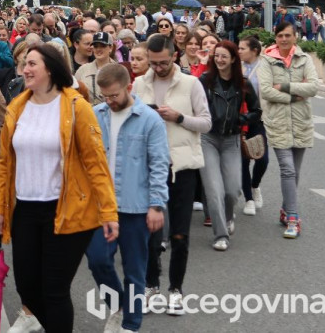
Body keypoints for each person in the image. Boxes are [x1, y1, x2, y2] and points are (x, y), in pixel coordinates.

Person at [0, 44, 118, 333]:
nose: (25, 69)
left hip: (66, 211)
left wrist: (109, 212)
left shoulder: (76, 107)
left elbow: (96, 164)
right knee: (27, 288)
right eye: (24, 64)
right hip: (25, 210)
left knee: (55, 289)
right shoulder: (17, 108)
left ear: (50, 68)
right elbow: (6, 164)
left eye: (32, 63)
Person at [132, 34, 211, 316]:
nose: (158, 68)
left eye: (163, 63)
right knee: (150, 234)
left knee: (179, 234)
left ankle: (176, 290)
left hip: (182, 168)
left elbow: (206, 122)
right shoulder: (140, 84)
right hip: (149, 167)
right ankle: (151, 285)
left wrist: (178, 117)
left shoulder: (191, 83)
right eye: (153, 63)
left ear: (174, 56)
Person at [87, 63, 169, 333]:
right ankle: (120, 306)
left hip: (136, 206)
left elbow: (159, 164)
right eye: (104, 96)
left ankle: (130, 325)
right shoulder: (96, 114)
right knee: (98, 259)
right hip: (101, 206)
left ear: (129, 88)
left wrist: (157, 205)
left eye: (114, 95)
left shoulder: (149, 119)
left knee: (135, 271)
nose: (109, 101)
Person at [257, 22, 320, 239]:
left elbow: (313, 87)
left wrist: (283, 86)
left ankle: (285, 209)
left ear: (295, 37)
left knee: (295, 171)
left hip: (301, 121)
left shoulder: (304, 59)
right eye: (280, 35)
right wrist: (295, 95)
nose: (283, 39)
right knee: (287, 169)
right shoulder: (266, 60)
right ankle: (293, 217)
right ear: (275, 38)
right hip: (277, 122)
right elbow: (265, 91)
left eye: (287, 35)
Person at [197, 42, 260, 251]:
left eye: (224, 56)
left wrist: (240, 118)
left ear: (233, 59)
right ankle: (220, 234)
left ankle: (228, 216)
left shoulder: (242, 83)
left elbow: (256, 111)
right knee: (214, 189)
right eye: (217, 56)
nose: (220, 60)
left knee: (232, 190)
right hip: (208, 139)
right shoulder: (205, 81)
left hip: (232, 140)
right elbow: (193, 104)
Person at [237, 36, 269, 217]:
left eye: (242, 48)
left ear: (254, 50)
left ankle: (255, 185)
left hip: (259, 118)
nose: (239, 51)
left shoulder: (265, 67)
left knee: (262, 158)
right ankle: (249, 199)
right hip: (240, 120)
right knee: (243, 160)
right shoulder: (235, 67)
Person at [75, 30, 115, 105]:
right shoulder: (82, 70)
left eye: (103, 46)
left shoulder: (118, 70)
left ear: (110, 48)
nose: (98, 49)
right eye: (96, 46)